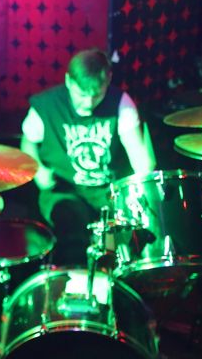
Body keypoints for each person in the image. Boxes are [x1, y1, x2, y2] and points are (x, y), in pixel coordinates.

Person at [19, 48, 156, 265]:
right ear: (68, 81)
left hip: (108, 193)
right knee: (70, 223)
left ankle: (110, 275)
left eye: (97, 95)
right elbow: (28, 142)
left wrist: (144, 176)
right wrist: (38, 170)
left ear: (108, 80)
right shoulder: (47, 106)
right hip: (64, 190)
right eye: (82, 95)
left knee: (120, 243)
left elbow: (137, 153)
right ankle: (72, 274)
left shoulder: (121, 102)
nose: (88, 103)